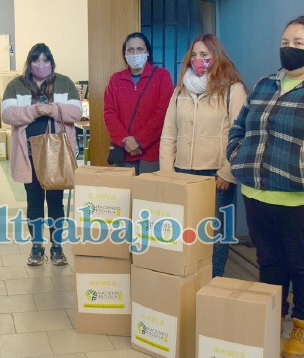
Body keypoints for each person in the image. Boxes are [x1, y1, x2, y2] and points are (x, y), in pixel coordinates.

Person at [227, 16, 304, 358]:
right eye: (285, 42)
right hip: (258, 192)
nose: (289, 48)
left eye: (298, 43)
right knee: (269, 262)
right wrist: (237, 155)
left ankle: (303, 326)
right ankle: (271, 318)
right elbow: (240, 126)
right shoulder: (267, 84)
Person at [160, 34, 247, 277]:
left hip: (216, 176)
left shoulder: (232, 90)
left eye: (205, 55)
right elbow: (169, 134)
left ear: (216, 57)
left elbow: (241, 135)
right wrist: (168, 174)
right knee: (185, 232)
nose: (199, 60)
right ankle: (187, 284)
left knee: (215, 236)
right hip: (182, 174)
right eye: (195, 55)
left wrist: (228, 173)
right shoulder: (180, 91)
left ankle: (212, 283)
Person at [1, 43, 82, 266]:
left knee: (56, 202)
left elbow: (77, 112)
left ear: (52, 63)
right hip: (28, 154)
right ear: (29, 62)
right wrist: (34, 110)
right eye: (36, 60)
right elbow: (7, 114)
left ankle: (57, 247)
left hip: (57, 155)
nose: (41, 64)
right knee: (34, 202)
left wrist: (54, 109)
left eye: (46, 60)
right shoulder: (16, 85)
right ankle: (36, 247)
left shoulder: (64, 82)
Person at [103, 32, 174, 175]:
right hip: (124, 152)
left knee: (149, 196)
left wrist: (140, 141)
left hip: (152, 153)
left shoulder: (162, 76)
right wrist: (126, 142)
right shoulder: (115, 80)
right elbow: (109, 113)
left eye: (140, 49)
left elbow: (163, 114)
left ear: (147, 52)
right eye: (130, 50)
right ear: (125, 54)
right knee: (125, 196)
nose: (135, 53)